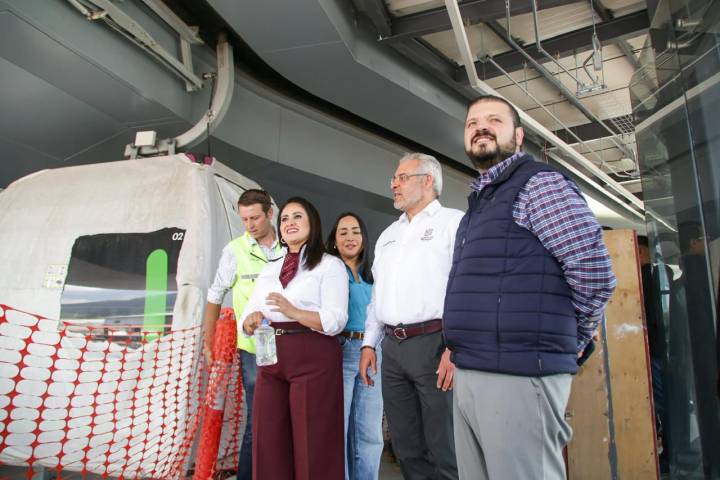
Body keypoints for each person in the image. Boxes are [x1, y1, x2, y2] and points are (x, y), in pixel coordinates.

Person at [443, 95, 616, 480]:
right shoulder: (479, 204)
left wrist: (572, 338)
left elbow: (594, 273)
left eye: (494, 120)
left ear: (519, 136)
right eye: (472, 123)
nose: (480, 127)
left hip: (520, 373)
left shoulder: (539, 185)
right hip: (471, 368)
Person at [359, 153, 463, 480]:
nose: (394, 184)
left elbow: (467, 288)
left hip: (436, 344)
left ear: (427, 180)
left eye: (402, 177)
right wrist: (368, 344)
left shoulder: (454, 223)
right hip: (392, 348)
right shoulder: (389, 234)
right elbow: (378, 295)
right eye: (394, 178)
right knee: (405, 447)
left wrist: (456, 346)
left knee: (444, 446)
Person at [241, 197, 349, 480]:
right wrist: (250, 320)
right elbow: (250, 311)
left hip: (313, 354)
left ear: (312, 222)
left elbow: (336, 319)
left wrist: (294, 312)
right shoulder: (271, 267)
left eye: (297, 216)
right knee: (268, 437)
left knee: (313, 441)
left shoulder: (329, 265)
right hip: (271, 355)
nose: (289, 223)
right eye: (285, 218)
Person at [202, 189, 282, 480]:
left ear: (270, 214)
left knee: (285, 418)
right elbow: (214, 295)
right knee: (258, 420)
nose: (249, 225)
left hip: (290, 345)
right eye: (244, 219)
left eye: (255, 218)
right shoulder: (234, 251)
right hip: (253, 349)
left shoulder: (290, 246)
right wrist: (208, 343)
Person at [326, 212, 383, 480]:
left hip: (372, 351)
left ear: (364, 238)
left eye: (356, 231)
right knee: (338, 428)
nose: (350, 237)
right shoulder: (329, 271)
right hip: (340, 349)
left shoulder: (374, 273)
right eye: (343, 232)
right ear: (334, 241)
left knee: (369, 432)